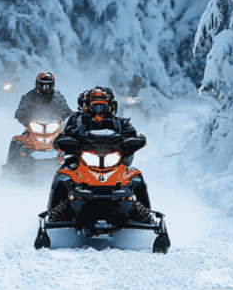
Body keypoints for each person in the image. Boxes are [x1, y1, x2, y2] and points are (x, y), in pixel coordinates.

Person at [48, 85, 154, 220]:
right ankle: (53, 213)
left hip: (114, 162)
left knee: (136, 177)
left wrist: (135, 141)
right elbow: (62, 136)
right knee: (63, 176)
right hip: (81, 162)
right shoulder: (76, 120)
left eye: (103, 105)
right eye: (95, 104)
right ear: (87, 104)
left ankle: (145, 215)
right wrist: (66, 142)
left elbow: (132, 134)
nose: (99, 109)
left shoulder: (120, 122)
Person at [6, 72, 73, 170]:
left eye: (48, 85)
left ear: (52, 84)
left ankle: (71, 164)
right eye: (43, 84)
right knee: (16, 141)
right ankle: (11, 167)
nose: (45, 88)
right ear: (37, 84)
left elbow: (65, 109)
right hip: (34, 126)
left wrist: (65, 114)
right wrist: (23, 117)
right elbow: (21, 110)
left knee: (69, 141)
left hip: (54, 127)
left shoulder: (57, 96)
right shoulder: (29, 96)